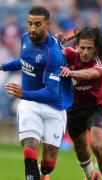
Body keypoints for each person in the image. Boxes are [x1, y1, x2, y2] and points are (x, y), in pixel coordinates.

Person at [0, 6, 73, 180]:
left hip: (53, 106)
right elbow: (25, 60)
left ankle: (42, 174)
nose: (33, 28)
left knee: (48, 165)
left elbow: (50, 92)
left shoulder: (52, 54)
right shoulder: (25, 38)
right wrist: (3, 66)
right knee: (30, 145)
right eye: (30, 23)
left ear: (47, 24)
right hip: (30, 104)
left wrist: (23, 93)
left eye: (38, 24)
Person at [58, 27, 102, 180]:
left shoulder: (100, 62)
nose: (85, 52)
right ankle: (90, 174)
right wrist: (55, 43)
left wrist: (71, 73)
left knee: (97, 146)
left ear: (95, 48)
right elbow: (50, 54)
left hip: (97, 106)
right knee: (80, 148)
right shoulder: (71, 53)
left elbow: (90, 74)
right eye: (82, 47)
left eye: (89, 48)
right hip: (75, 107)